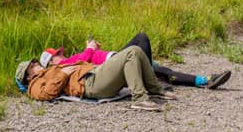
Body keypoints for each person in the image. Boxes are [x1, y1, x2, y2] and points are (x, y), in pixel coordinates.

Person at [40, 32, 231, 90]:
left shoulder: (66, 61)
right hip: (115, 64)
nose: (61, 54)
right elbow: (84, 62)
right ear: (52, 62)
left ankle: (205, 80)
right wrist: (90, 48)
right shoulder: (63, 66)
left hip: (116, 60)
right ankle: (151, 82)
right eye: (57, 54)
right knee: (141, 39)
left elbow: (87, 59)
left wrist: (93, 49)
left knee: (163, 71)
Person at [16, 45, 170, 111]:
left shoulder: (50, 70)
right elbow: (45, 94)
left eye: (35, 62)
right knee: (131, 52)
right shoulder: (34, 85)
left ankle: (154, 89)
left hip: (95, 74)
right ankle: (139, 99)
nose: (36, 63)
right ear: (29, 77)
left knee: (136, 52)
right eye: (32, 65)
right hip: (90, 84)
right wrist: (64, 74)